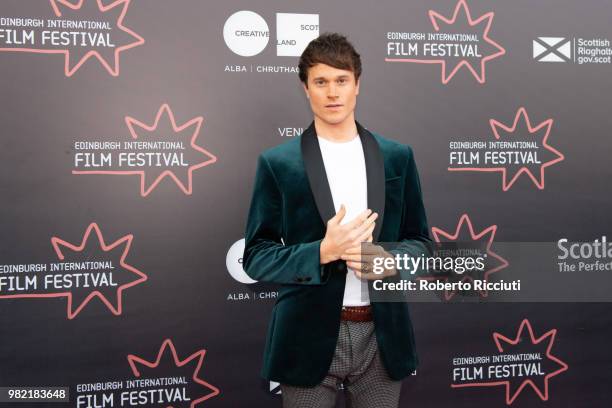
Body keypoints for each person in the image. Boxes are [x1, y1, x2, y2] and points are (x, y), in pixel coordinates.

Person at [243, 32, 431, 408]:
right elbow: (256, 255)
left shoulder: (397, 157)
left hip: (381, 337)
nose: (332, 92)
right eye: (321, 82)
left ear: (357, 85)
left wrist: (391, 260)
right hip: (305, 338)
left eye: (342, 80)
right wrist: (321, 251)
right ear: (306, 88)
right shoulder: (278, 162)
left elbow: (421, 243)